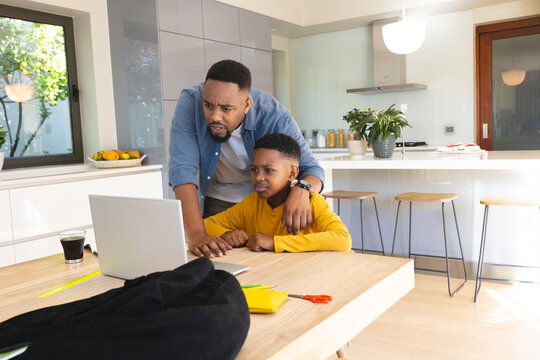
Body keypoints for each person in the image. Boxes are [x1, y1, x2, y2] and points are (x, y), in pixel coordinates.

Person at [169, 60, 324, 258]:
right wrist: (197, 234)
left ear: (247, 104)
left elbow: (312, 169)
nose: (215, 116)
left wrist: (302, 190)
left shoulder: (275, 116)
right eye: (208, 105)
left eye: (226, 109)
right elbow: (182, 170)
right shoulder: (191, 101)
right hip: (215, 207)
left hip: (260, 208)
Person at [204, 133, 351, 253]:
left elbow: (343, 239)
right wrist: (225, 234)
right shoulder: (251, 203)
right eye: (254, 169)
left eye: (268, 170)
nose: (259, 177)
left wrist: (274, 242)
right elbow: (206, 224)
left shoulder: (312, 202)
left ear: (292, 173)